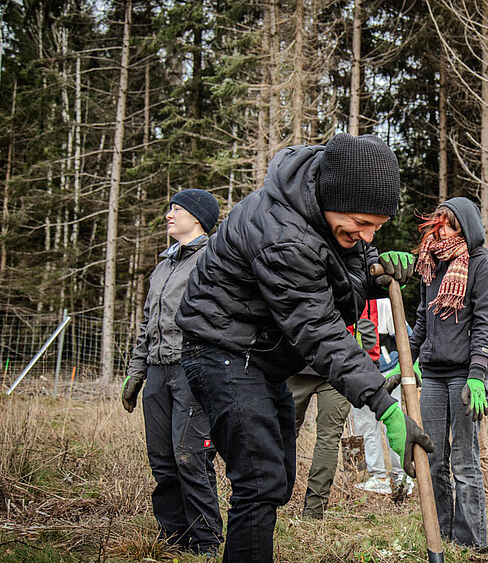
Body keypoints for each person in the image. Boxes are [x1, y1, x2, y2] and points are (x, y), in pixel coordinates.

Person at [176, 133, 434, 562]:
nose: (369, 237)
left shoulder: (323, 214)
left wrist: (372, 276)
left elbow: (335, 284)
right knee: (259, 481)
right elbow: (318, 329)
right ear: (334, 198)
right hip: (222, 352)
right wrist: (384, 407)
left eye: (377, 228)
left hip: (261, 358)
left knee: (275, 478)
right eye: (362, 223)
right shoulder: (283, 233)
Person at [121, 188, 224, 555]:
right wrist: (136, 373)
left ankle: (207, 541)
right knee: (163, 461)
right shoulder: (163, 267)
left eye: (176, 209)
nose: (168, 214)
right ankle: (174, 539)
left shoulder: (213, 258)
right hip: (157, 372)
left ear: (197, 218)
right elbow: (148, 323)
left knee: (190, 456)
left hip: (192, 369)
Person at [409, 197, 488, 550]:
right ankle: (442, 533)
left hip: (465, 374)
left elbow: (484, 322)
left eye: (448, 224)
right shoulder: (430, 263)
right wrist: (407, 361)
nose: (440, 229)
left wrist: (479, 372)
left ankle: (472, 540)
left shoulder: (481, 264)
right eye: (438, 223)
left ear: (465, 227)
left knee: (464, 460)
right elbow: (421, 320)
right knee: (433, 460)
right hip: (432, 373)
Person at [352, 298, 413, 495]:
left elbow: (406, 335)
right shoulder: (346, 301)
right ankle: (378, 476)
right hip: (356, 373)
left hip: (387, 372)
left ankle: (402, 475)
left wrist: (400, 370)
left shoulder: (385, 303)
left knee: (393, 423)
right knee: (365, 425)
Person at [287, 366, 350, 519]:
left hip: (297, 365)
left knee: (282, 434)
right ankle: (314, 512)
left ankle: (267, 500)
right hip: (337, 365)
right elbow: (369, 342)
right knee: (328, 439)